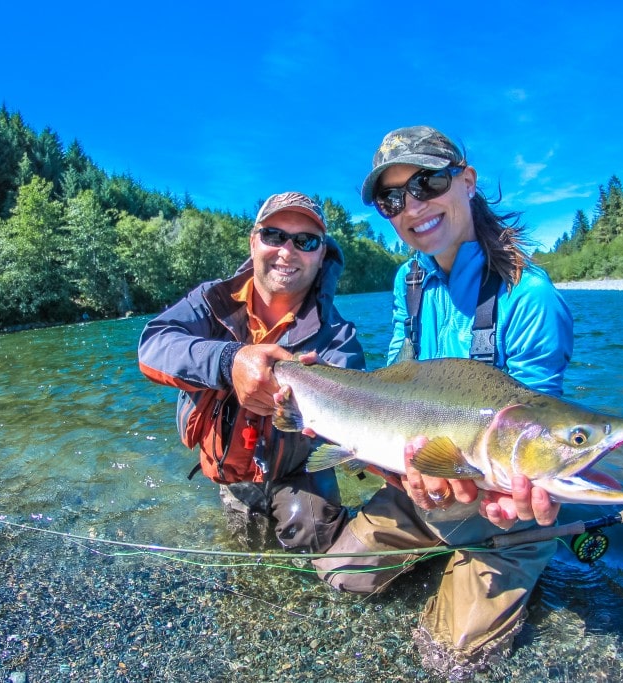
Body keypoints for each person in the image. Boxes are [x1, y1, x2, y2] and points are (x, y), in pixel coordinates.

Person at [312, 125, 575, 678]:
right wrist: (355, 432)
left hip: (498, 511)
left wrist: (519, 496)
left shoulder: (530, 296)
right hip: (420, 487)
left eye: (427, 183)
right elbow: (393, 379)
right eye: (392, 198)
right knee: (338, 575)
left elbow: (536, 431)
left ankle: (515, 562)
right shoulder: (407, 279)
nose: (412, 206)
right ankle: (440, 551)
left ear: (467, 181)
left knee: (453, 660)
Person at [137, 191, 365, 553]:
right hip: (233, 473)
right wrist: (230, 361)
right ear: (253, 241)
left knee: (322, 547)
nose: (287, 251)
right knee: (243, 550)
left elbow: (359, 422)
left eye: (305, 241)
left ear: (321, 255)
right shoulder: (211, 302)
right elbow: (153, 346)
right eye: (274, 235)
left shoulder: (338, 337)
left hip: (300, 470)